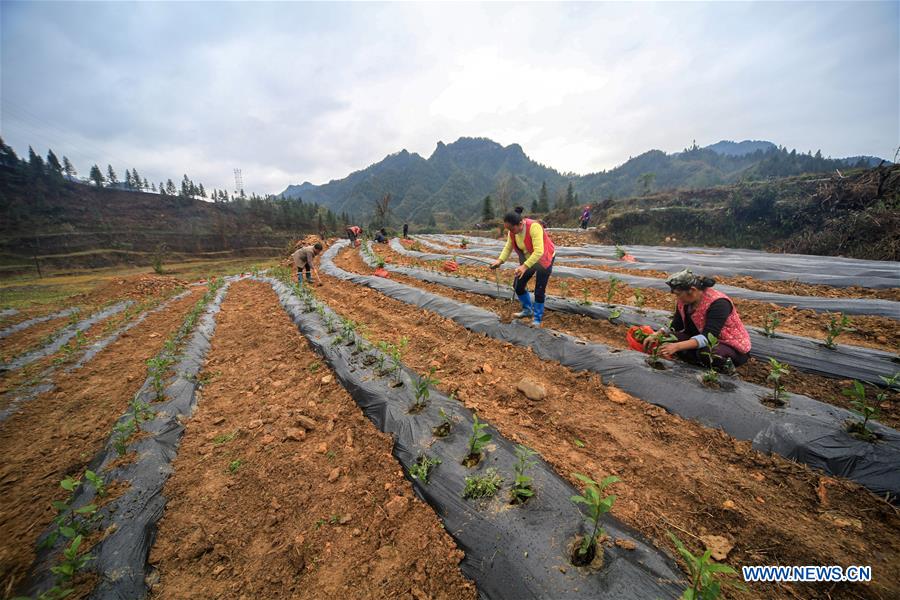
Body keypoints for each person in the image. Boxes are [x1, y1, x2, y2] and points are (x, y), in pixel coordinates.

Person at [645, 269, 751, 371]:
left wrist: (676, 347)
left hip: (729, 345)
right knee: (671, 338)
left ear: (692, 290)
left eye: (678, 294)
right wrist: (658, 334)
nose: (677, 299)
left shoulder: (719, 303)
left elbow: (709, 337)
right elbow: (676, 325)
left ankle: (726, 368)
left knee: (707, 353)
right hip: (701, 338)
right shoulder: (685, 302)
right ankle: (696, 363)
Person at [490, 212, 556, 328]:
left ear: (520, 223)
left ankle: (537, 318)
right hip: (529, 259)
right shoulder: (512, 232)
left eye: (511, 228)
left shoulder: (534, 227)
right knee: (518, 285)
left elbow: (539, 251)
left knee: (539, 290)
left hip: (544, 258)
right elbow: (508, 247)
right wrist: (499, 261)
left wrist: (524, 266)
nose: (510, 231)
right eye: (508, 229)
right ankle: (527, 310)